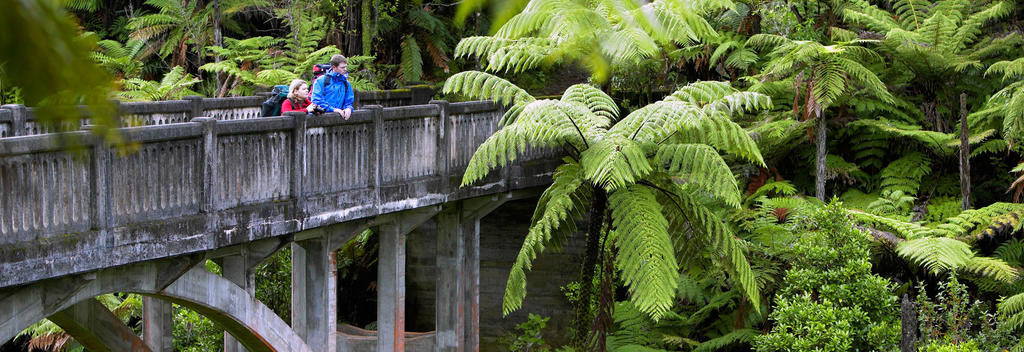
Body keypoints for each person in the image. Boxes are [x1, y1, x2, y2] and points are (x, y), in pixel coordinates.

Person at [311, 54, 355, 119]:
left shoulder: (346, 83)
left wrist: (348, 108)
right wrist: (332, 109)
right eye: (342, 67)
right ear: (334, 67)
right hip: (321, 118)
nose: (345, 69)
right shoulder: (321, 80)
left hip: (338, 119)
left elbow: (349, 101)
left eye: (346, 67)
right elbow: (316, 100)